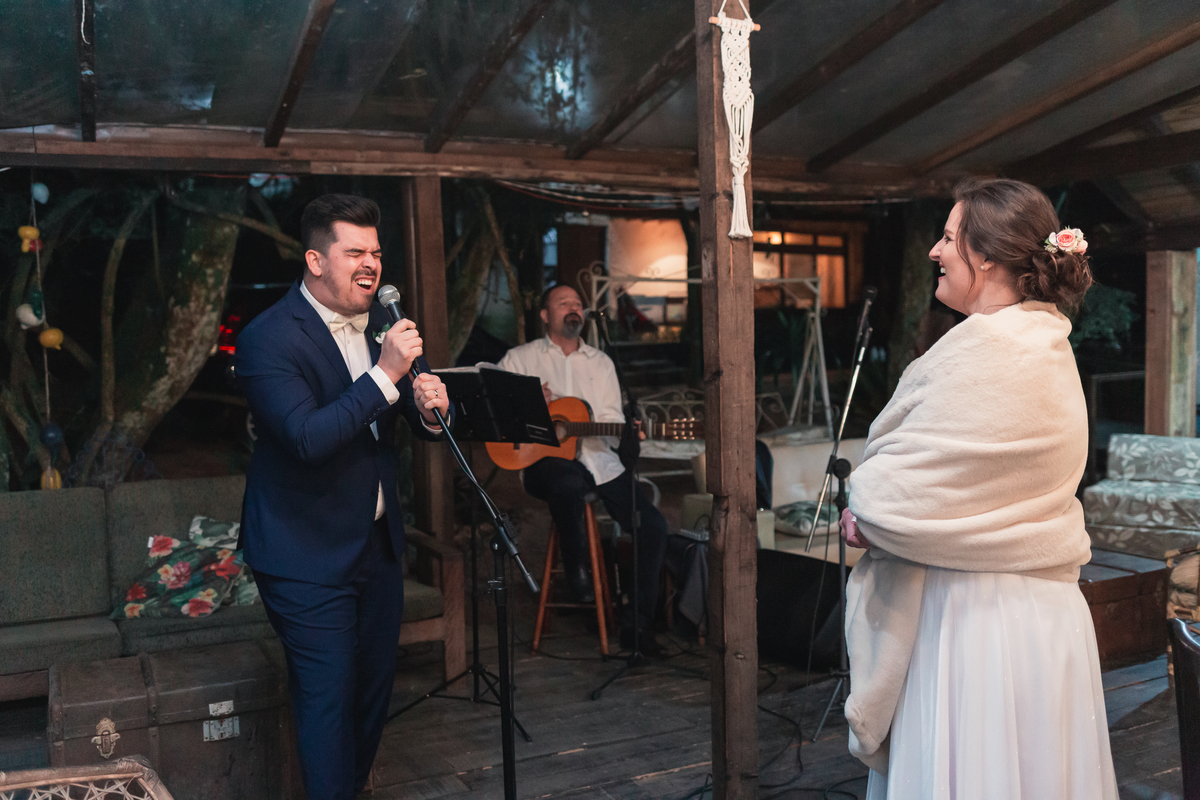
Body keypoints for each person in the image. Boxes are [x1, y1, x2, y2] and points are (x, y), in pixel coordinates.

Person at [840, 178, 1117, 798]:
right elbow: (953, 478)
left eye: (947, 237)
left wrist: (869, 509)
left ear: (986, 256)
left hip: (975, 627)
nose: (935, 252)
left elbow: (892, 498)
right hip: (1041, 626)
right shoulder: (1047, 348)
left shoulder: (988, 351)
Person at [234, 194, 452, 800]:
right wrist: (385, 375)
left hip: (376, 549)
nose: (371, 264)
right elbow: (306, 438)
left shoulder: (385, 321)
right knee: (327, 701)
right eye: (354, 251)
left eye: (376, 252)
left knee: (371, 695)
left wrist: (432, 411)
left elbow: (413, 413)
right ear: (314, 260)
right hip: (303, 553)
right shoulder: (267, 340)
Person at [497, 284, 668, 656]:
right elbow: (495, 407)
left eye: (577, 303)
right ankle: (576, 570)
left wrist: (622, 428)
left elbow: (608, 418)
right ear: (545, 316)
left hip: (598, 459)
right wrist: (530, 404)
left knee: (652, 526)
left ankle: (637, 628)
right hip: (543, 464)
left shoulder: (602, 362)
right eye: (563, 303)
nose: (573, 308)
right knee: (567, 483)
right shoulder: (519, 359)